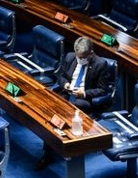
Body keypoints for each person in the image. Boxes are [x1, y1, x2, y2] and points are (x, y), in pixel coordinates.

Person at [35, 36, 111, 170]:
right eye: (78, 57)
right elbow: (62, 77)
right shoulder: (70, 57)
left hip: (85, 100)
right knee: (49, 109)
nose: (79, 60)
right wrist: (66, 85)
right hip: (67, 93)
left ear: (91, 53)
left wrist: (84, 93)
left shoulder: (101, 64)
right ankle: (49, 152)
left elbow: (102, 90)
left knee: (66, 110)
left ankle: (66, 148)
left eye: (82, 58)